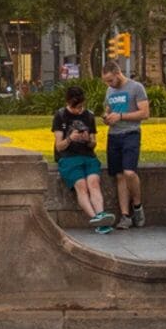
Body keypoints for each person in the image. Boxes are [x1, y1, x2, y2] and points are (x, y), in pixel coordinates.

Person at [101, 61, 152, 227]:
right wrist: (107, 117)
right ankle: (125, 215)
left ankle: (137, 205)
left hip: (130, 133)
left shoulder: (136, 88)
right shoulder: (110, 91)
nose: (109, 84)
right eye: (106, 82)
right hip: (114, 135)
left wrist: (121, 116)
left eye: (110, 80)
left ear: (117, 73)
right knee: (120, 176)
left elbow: (145, 113)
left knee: (130, 172)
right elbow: (108, 109)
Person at [52, 83, 108, 226]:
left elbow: (93, 143)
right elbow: (59, 146)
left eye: (80, 107)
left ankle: (100, 214)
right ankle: (96, 219)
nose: (77, 111)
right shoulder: (60, 116)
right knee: (81, 186)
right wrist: (70, 138)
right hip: (68, 157)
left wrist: (88, 140)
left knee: (94, 183)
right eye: (74, 107)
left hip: (88, 156)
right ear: (68, 103)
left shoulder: (89, 115)